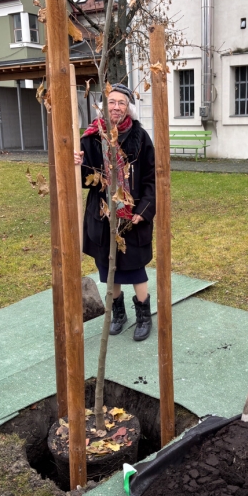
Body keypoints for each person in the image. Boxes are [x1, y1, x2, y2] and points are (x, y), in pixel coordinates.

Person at [74, 83, 156, 341]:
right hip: (102, 214)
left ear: (128, 107)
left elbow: (152, 177)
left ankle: (143, 314)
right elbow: (85, 176)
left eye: (121, 102)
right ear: (104, 106)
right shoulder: (91, 137)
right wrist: (76, 164)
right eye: (112, 102)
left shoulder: (140, 137)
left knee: (134, 266)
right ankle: (118, 313)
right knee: (109, 266)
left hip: (132, 215)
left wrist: (144, 210)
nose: (116, 107)